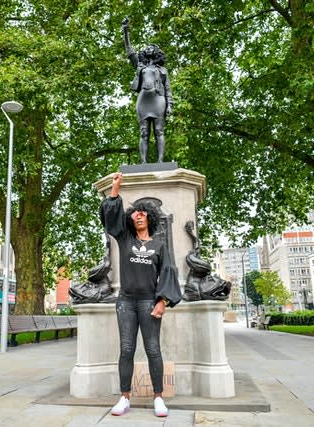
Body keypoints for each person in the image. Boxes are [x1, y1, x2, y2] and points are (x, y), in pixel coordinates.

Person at [99, 172, 181, 417]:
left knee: (153, 349)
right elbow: (110, 219)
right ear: (131, 219)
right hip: (125, 302)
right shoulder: (124, 239)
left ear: (151, 219)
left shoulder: (159, 246)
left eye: (144, 213)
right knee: (126, 349)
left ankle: (158, 397)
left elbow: (168, 271)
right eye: (136, 213)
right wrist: (115, 191)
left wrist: (163, 301)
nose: (140, 215)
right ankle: (124, 398)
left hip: (148, 303)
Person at [122, 18, 173, 163]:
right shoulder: (139, 66)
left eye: (152, 47)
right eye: (147, 47)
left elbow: (168, 89)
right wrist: (126, 31)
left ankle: (160, 162)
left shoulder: (162, 70)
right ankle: (143, 162)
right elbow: (129, 51)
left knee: (159, 131)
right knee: (144, 132)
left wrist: (170, 105)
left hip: (159, 100)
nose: (149, 48)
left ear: (157, 52)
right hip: (143, 100)